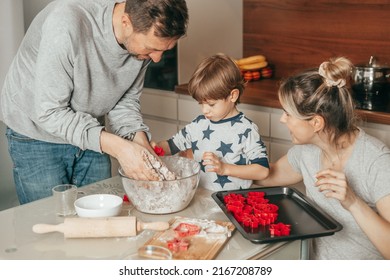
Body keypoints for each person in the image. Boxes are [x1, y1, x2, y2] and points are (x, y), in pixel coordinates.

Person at [0, 0, 188, 204]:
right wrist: (120, 148)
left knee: (99, 218)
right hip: (36, 132)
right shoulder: (66, 24)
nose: (157, 58)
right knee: (50, 219)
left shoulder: (141, 45)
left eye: (164, 50)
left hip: (88, 126)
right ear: (126, 22)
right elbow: (50, 112)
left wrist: (138, 142)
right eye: (152, 48)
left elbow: (124, 99)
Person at [255, 57, 390, 260]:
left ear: (316, 122)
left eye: (288, 114)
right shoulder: (307, 150)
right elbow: (269, 175)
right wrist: (224, 165)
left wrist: (353, 202)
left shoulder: (375, 160)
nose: (282, 119)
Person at [153, 53, 270, 191]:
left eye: (211, 104)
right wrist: (155, 148)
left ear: (233, 95)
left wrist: (225, 168)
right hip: (201, 195)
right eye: (201, 104)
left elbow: (262, 171)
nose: (205, 110)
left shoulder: (246, 129)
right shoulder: (198, 124)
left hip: (232, 200)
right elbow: (171, 145)